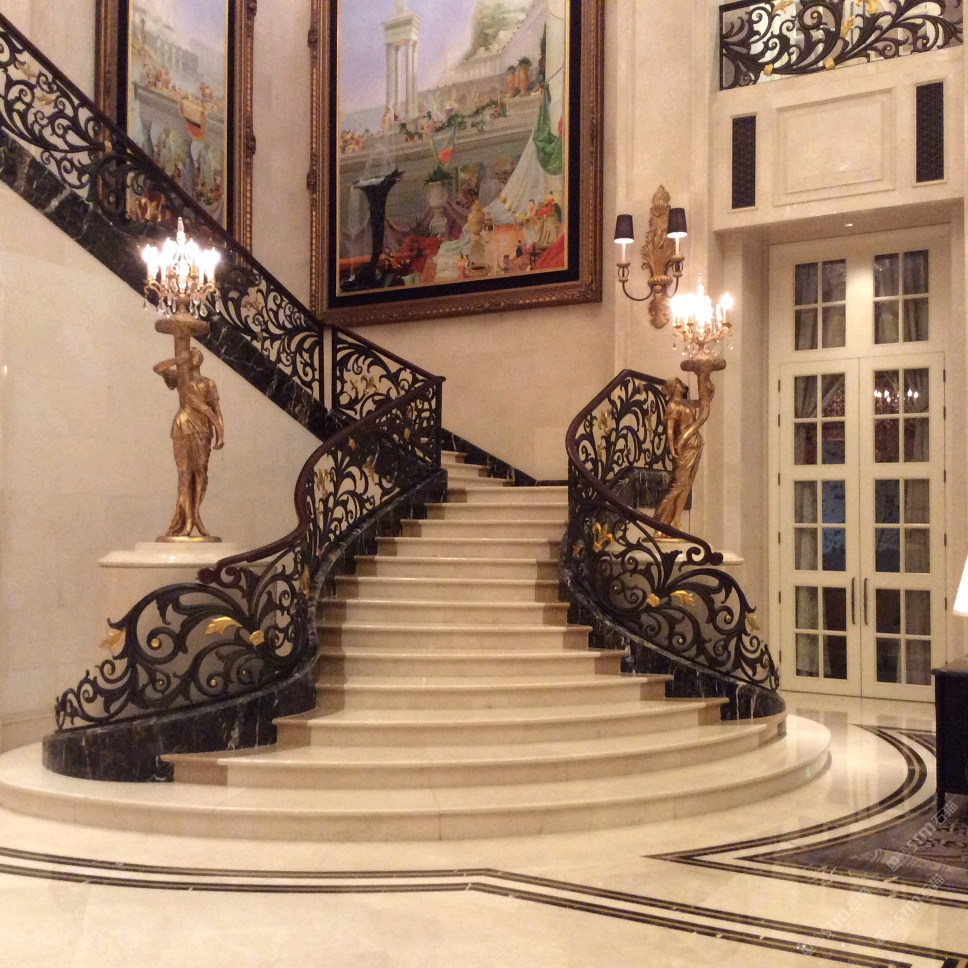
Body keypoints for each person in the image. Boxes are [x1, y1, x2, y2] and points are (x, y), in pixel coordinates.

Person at [153, 347, 224, 539]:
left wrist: (221, 433)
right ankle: (187, 520)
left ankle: (196, 515)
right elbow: (158, 368)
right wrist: (178, 359)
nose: (193, 356)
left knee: (200, 473)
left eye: (196, 354)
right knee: (184, 473)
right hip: (183, 426)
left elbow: (216, 410)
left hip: (202, 429)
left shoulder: (208, 383)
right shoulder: (181, 378)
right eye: (190, 354)